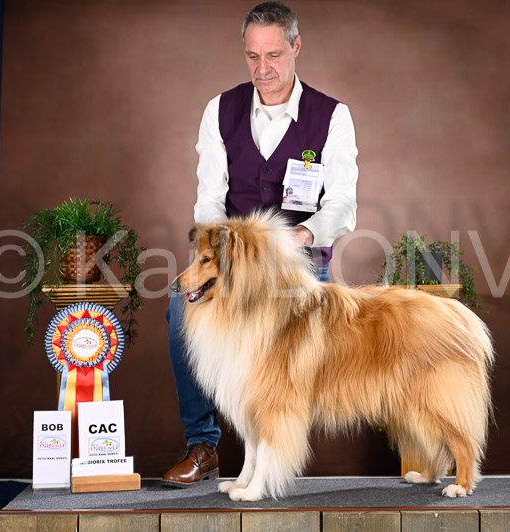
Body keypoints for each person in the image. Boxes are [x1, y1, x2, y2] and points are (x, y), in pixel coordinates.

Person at [162, 1, 358, 487]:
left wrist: (304, 233)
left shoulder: (332, 116)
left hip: (299, 266)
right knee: (180, 312)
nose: (262, 68)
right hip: (233, 263)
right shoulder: (220, 110)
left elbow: (342, 202)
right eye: (252, 56)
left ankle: (274, 443)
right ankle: (203, 444)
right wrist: (224, 247)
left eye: (273, 55)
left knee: (282, 340)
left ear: (296, 47)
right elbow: (209, 198)